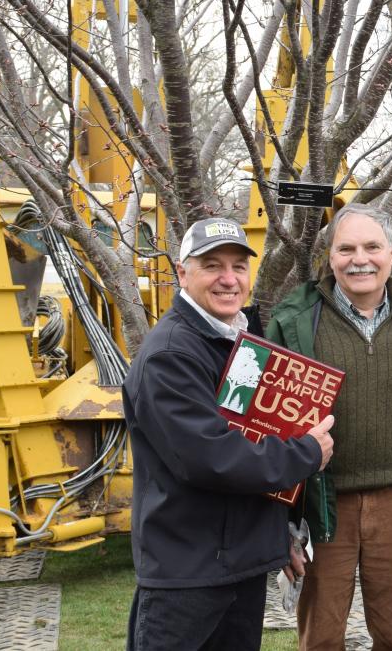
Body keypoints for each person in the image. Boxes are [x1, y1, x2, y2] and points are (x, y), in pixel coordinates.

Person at [123, 218, 334, 650]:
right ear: (183, 273)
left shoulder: (239, 341)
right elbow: (213, 458)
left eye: (239, 266)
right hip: (188, 574)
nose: (228, 278)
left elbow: (257, 433)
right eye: (212, 265)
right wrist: (306, 453)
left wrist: (280, 538)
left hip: (239, 566)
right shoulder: (170, 354)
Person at [265, 204, 392, 650]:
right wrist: (280, 525)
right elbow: (267, 429)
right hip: (321, 505)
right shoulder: (293, 322)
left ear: (391, 254)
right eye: (346, 248)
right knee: (322, 639)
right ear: (329, 257)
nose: (359, 259)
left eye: (371, 247)